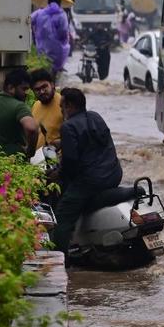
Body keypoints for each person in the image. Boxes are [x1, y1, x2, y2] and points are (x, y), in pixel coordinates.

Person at [50, 88, 123, 254]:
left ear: (69, 105)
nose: (61, 110)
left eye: (61, 106)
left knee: (63, 215)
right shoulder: (95, 117)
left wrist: (57, 174)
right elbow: (95, 139)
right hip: (114, 174)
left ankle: (60, 258)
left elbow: (70, 162)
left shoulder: (68, 127)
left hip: (91, 181)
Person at [0, 68, 39, 157]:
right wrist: (30, 151)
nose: (26, 93)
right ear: (11, 88)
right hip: (14, 160)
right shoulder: (19, 106)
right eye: (24, 89)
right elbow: (31, 128)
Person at [32, 0, 71, 75]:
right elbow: (64, 31)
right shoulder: (62, 15)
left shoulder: (39, 13)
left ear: (48, 2)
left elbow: (29, 21)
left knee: (43, 68)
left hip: (41, 47)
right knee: (54, 70)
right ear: (59, 2)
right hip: (57, 49)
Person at [30, 68, 63, 149]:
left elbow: (76, 136)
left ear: (52, 84)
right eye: (37, 89)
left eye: (44, 87)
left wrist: (56, 144)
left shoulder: (64, 105)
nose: (42, 91)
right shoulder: (36, 105)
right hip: (37, 158)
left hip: (56, 159)